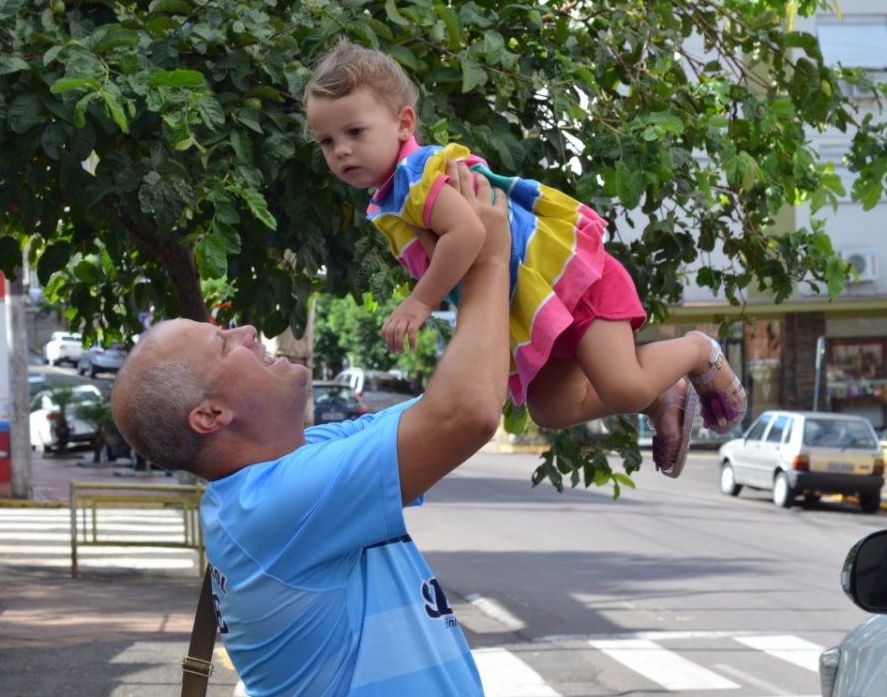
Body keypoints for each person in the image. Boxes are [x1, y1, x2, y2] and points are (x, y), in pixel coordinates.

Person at [112, 161, 509, 695]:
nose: (248, 331)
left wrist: (645, 386)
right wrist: (489, 259)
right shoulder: (277, 505)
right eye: (224, 344)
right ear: (210, 416)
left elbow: (456, 400)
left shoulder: (296, 464)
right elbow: (466, 415)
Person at [302, 39, 747, 478]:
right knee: (552, 408)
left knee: (624, 388)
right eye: (326, 141)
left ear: (404, 123)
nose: (341, 150)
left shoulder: (417, 175)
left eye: (355, 132)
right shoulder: (396, 194)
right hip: (536, 307)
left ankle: (697, 351)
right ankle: (662, 395)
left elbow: (469, 233)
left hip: (572, 287)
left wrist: (420, 302)